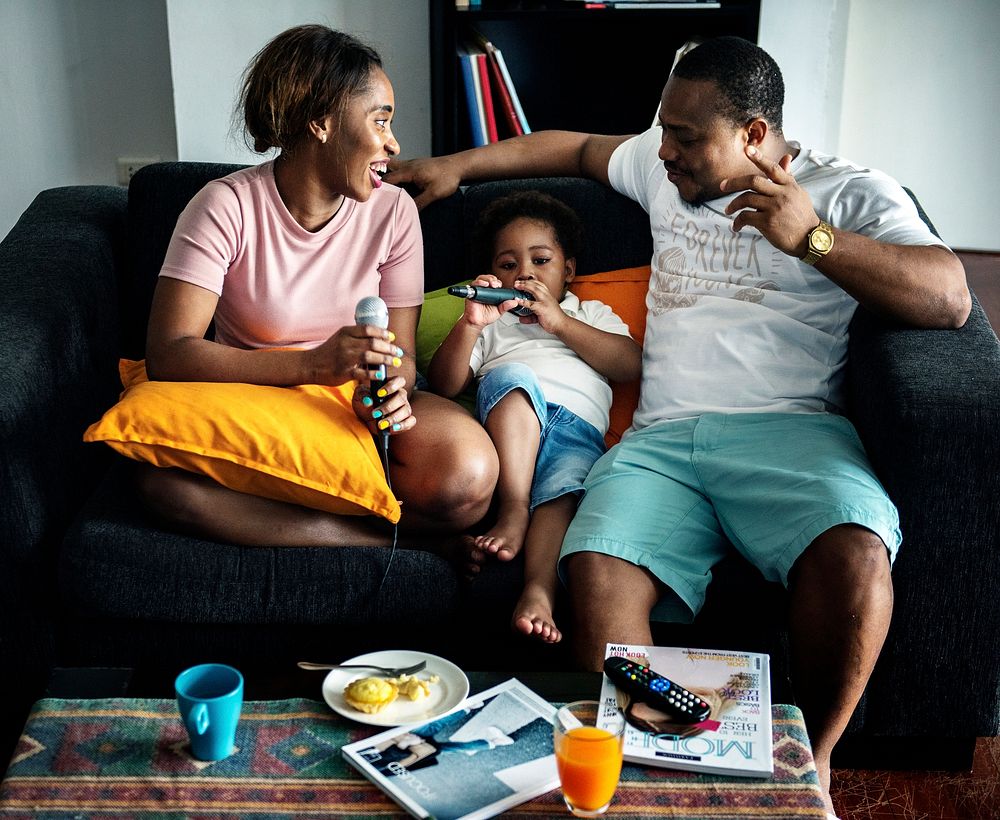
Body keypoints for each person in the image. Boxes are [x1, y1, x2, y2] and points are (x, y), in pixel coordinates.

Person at [386, 36, 970, 813]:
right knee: (595, 572)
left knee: (860, 557)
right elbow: (581, 146)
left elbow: (950, 297)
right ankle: (662, 769)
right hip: (661, 442)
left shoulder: (846, 190)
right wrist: (459, 166)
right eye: (662, 129)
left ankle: (811, 769)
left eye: (685, 136)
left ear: (755, 135)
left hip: (790, 433)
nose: (663, 151)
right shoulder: (667, 175)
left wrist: (813, 239)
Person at [138, 24, 498, 546]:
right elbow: (167, 354)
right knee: (162, 486)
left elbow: (399, 355)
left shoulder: (395, 211)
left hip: (352, 403)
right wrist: (310, 365)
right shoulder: (224, 206)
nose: (394, 144)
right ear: (322, 122)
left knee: (467, 478)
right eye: (380, 121)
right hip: (254, 400)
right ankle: (377, 542)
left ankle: (330, 525)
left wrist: (388, 391)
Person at [427, 191, 641, 643]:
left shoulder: (590, 314)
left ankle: (539, 590)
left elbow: (628, 363)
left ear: (570, 271)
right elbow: (445, 384)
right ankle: (513, 510)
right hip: (510, 430)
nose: (523, 272)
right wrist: (470, 325)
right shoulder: (493, 324)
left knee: (564, 490)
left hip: (576, 430)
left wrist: (559, 321)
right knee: (512, 377)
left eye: (540, 260)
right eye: (507, 265)